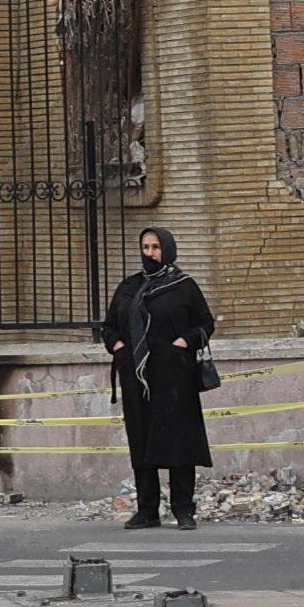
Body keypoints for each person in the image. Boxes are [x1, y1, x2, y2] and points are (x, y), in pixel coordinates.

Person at [97, 225, 219, 530]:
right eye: (145, 247)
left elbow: (205, 322)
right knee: (142, 442)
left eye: (155, 247)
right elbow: (110, 326)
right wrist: (119, 347)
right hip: (138, 379)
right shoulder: (129, 287)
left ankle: (183, 510)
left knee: (180, 442)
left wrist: (184, 343)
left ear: (168, 249)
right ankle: (147, 511)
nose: (149, 253)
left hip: (175, 378)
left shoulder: (184, 286)